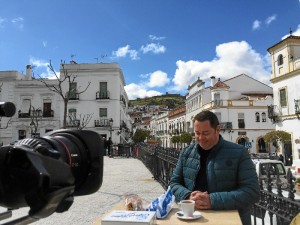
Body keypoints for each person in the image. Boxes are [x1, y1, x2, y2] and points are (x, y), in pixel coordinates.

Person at [169, 111, 260, 225]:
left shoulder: (240, 153)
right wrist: (188, 196)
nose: (201, 138)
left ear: (217, 129)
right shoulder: (186, 153)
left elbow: (252, 192)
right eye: (197, 133)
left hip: (230, 221)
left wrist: (212, 201)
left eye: (205, 133)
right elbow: (174, 183)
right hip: (193, 219)